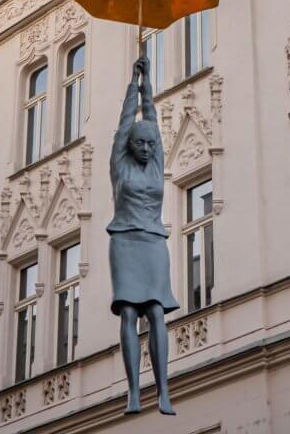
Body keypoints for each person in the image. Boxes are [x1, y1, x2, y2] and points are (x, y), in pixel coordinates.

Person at [108, 55, 178, 415]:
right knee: (130, 313)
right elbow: (126, 125)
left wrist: (149, 85)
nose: (148, 149)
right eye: (141, 144)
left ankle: (163, 391)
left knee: (156, 311)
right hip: (124, 239)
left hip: (152, 240)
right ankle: (133, 392)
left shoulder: (154, 163)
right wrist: (132, 87)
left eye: (151, 145)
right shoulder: (120, 165)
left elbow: (151, 120)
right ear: (130, 147)